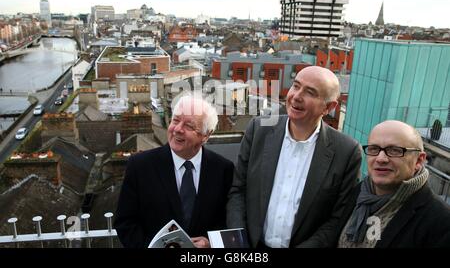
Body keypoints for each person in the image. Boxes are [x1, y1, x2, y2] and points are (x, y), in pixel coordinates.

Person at [227, 66, 362, 248]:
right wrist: (240, 243)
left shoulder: (346, 151)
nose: (297, 96)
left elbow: (338, 219)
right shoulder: (259, 129)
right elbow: (238, 190)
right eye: (296, 86)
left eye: (310, 93)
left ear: (329, 107)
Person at [114, 94, 235, 248]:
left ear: (206, 135)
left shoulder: (223, 169)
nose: (178, 129)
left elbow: (229, 220)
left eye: (189, 126)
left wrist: (212, 243)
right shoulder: (140, 166)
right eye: (175, 120)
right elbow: (125, 223)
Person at [337, 120, 450, 248]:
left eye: (394, 150)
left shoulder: (441, 222)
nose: (380, 158)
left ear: (419, 160)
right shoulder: (359, 191)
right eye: (374, 149)